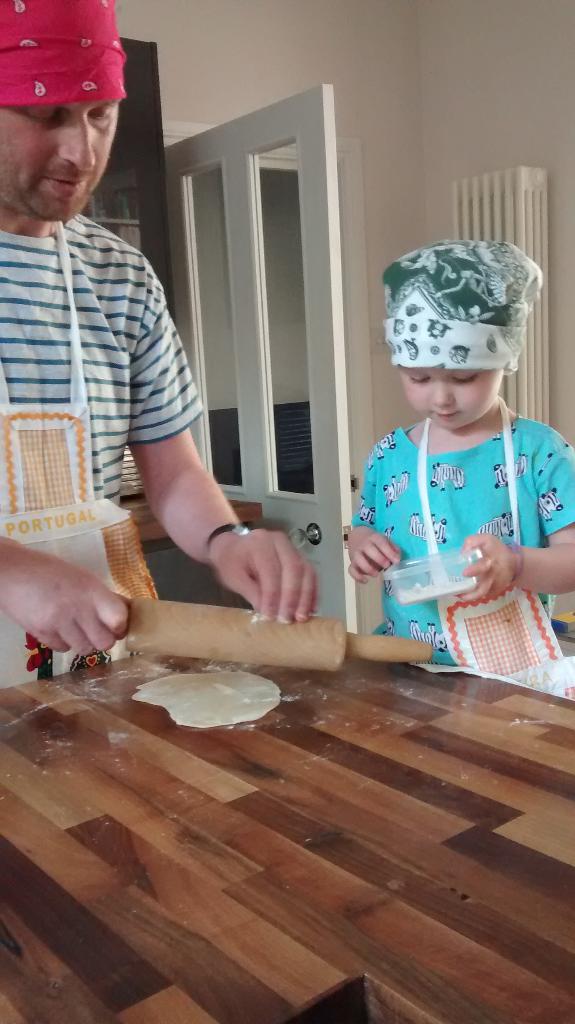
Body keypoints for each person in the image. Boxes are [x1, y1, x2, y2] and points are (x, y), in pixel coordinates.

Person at [0, 0, 316, 685]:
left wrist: (225, 538)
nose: (83, 152)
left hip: (91, 662)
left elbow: (171, 471)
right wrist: (11, 570)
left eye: (100, 114)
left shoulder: (120, 276)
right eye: (47, 114)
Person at [348, 239, 575, 692]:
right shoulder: (387, 456)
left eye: (463, 377)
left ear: (504, 359)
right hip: (411, 671)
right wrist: (362, 544)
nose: (441, 398)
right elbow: (363, 526)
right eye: (419, 377)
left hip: (513, 681)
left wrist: (515, 563)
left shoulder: (540, 452)